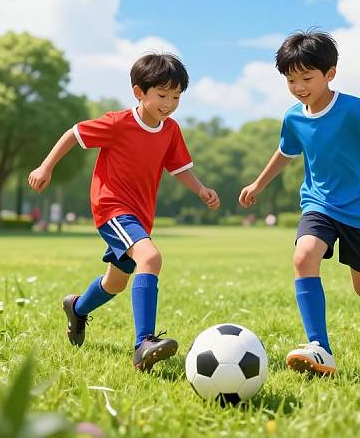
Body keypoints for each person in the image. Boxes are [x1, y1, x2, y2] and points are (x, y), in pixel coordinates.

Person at [239, 30, 360, 375]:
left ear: (330, 74)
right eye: (291, 79)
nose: (299, 86)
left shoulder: (352, 109)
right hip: (318, 204)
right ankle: (320, 348)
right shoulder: (294, 117)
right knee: (304, 255)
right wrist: (258, 183)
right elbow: (286, 153)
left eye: (307, 78)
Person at [28, 53, 220, 372]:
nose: (169, 103)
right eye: (162, 95)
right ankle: (143, 343)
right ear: (138, 92)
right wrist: (45, 166)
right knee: (151, 259)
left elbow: (179, 167)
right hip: (112, 208)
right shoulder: (118, 123)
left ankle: (77, 308)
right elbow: (73, 134)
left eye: (176, 97)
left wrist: (200, 188)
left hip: (140, 217)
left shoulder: (170, 130)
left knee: (115, 283)